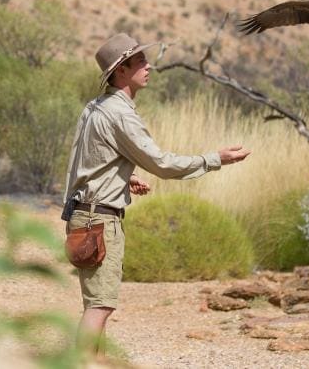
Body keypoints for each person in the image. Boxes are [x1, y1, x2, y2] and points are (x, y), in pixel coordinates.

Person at [63, 32, 250, 353]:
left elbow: (88, 159)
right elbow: (162, 163)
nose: (149, 67)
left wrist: (126, 175)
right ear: (121, 70)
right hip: (100, 221)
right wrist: (214, 159)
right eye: (140, 61)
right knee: (100, 307)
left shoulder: (94, 107)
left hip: (83, 216)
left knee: (96, 303)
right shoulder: (121, 113)